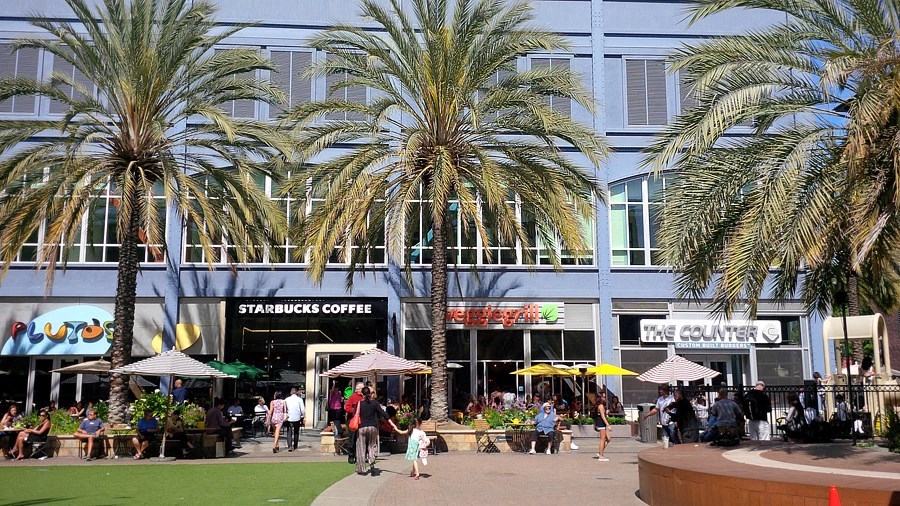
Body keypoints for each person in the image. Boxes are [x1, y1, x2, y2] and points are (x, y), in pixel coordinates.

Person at [353, 386, 399, 475]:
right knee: (372, 445)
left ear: (362, 394)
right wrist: (392, 424)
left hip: (362, 427)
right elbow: (384, 414)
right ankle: (372, 462)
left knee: (361, 447)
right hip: (373, 427)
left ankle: (361, 469)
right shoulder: (375, 403)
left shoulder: (359, 404)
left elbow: (355, 414)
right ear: (370, 394)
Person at [344, 382, 364, 460]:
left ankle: (359, 455)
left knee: (359, 439)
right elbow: (346, 407)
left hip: (361, 420)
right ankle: (351, 456)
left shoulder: (364, 397)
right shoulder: (353, 397)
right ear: (358, 389)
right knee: (352, 439)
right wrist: (355, 411)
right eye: (362, 388)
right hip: (352, 421)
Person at [284, 387, 305, 452]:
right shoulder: (300, 399)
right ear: (296, 393)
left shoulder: (287, 399)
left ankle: (289, 446)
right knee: (296, 432)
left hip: (289, 418)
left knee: (289, 432)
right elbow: (303, 409)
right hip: (297, 418)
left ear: (291, 392)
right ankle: (295, 446)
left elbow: (285, 408)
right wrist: (304, 417)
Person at [594, 392, 612, 461]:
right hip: (601, 423)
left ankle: (600, 452)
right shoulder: (601, 406)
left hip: (601, 423)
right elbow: (603, 416)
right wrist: (608, 425)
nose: (605, 398)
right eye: (604, 397)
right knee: (602, 439)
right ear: (600, 398)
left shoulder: (600, 405)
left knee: (608, 438)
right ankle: (601, 455)